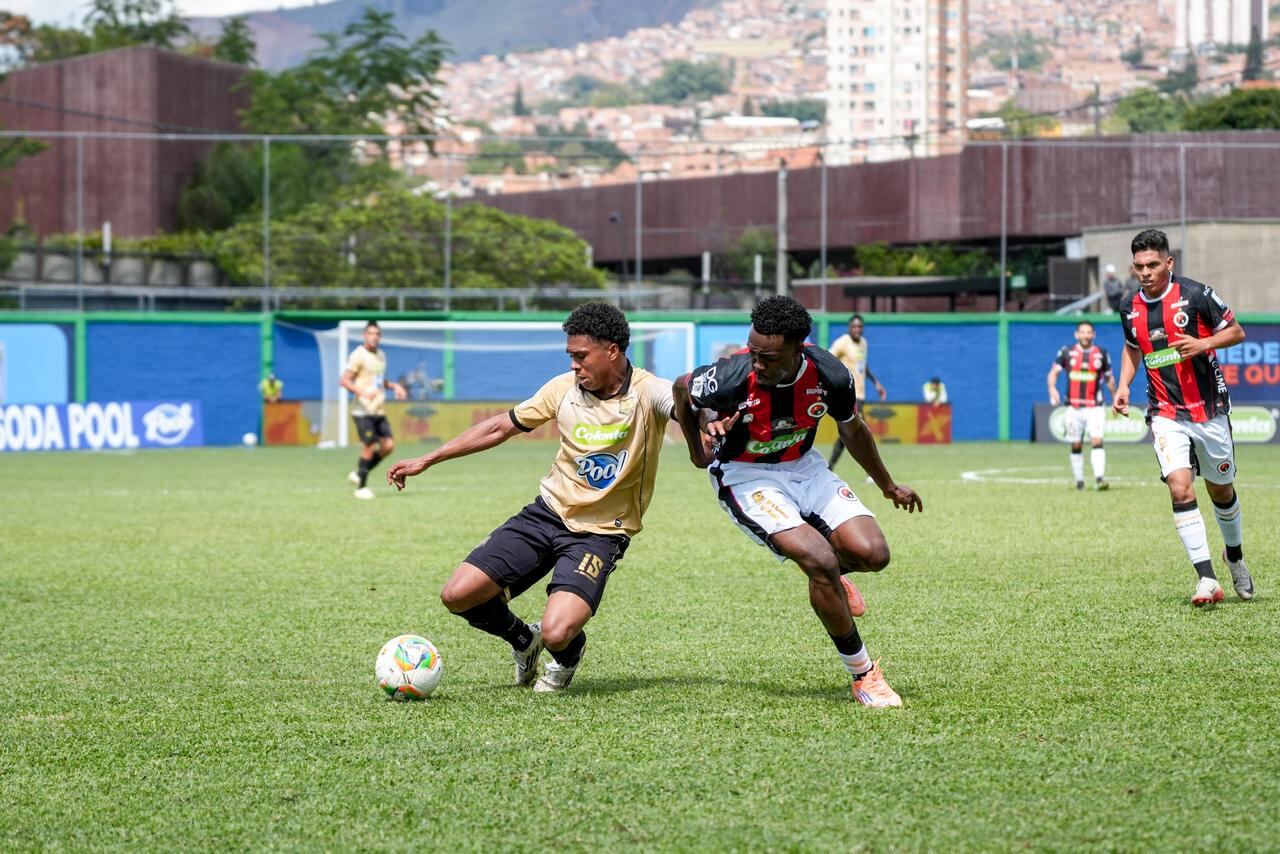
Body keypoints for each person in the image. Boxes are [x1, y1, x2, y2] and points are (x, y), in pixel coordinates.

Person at [386, 303, 675, 692]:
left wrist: (709, 421)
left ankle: (565, 659)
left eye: (581, 356)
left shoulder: (647, 392)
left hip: (600, 532)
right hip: (546, 514)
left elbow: (682, 401)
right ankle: (524, 641)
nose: (574, 365)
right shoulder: (562, 390)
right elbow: (498, 427)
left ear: (612, 350)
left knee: (559, 633)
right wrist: (428, 458)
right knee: (458, 595)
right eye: (570, 356)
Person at [672, 296, 922, 708]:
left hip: (805, 466)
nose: (756, 363)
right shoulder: (731, 375)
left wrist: (888, 485)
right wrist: (700, 444)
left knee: (873, 553)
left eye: (767, 357)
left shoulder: (830, 375)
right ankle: (864, 676)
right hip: (746, 475)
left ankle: (833, 578)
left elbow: (853, 431)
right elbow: (683, 388)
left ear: (797, 348)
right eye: (752, 352)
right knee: (818, 560)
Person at [1114, 228, 1254, 606]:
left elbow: (1237, 332)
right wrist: (1123, 385)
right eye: (1139, 266)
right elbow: (1132, 349)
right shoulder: (1129, 308)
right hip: (1165, 412)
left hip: (1208, 410)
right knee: (1179, 486)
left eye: (1153, 264)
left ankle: (1235, 556)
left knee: (1220, 490)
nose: (1145, 272)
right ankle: (1206, 579)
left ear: (1168, 262)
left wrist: (1204, 343)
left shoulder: (1196, 294)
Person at [340, 321, 407, 500]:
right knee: (369, 446)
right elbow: (344, 380)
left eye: (377, 334)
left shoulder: (381, 355)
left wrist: (394, 386)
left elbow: (378, 380)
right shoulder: (358, 355)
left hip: (378, 410)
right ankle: (361, 487)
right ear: (364, 335)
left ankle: (359, 473)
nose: (374, 337)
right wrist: (362, 392)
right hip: (362, 410)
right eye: (371, 333)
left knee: (388, 446)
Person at [1047, 321, 1116, 491]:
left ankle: (1099, 479)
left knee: (1097, 440)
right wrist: (1052, 389)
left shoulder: (1101, 353)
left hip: (1095, 406)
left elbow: (1109, 378)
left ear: (1094, 335)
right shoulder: (1066, 352)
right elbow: (1053, 373)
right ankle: (1079, 481)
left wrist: (1115, 397)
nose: (1086, 335)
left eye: (1089, 332)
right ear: (1076, 334)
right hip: (1074, 407)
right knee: (1076, 444)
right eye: (1082, 332)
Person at [827, 314, 886, 469]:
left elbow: (862, 365)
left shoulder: (863, 343)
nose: (857, 329)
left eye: (860, 326)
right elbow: (827, 359)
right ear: (849, 328)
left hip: (861, 395)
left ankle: (830, 467)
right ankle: (871, 472)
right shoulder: (843, 342)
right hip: (849, 394)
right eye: (854, 326)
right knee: (861, 433)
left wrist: (876, 383)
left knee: (849, 434)